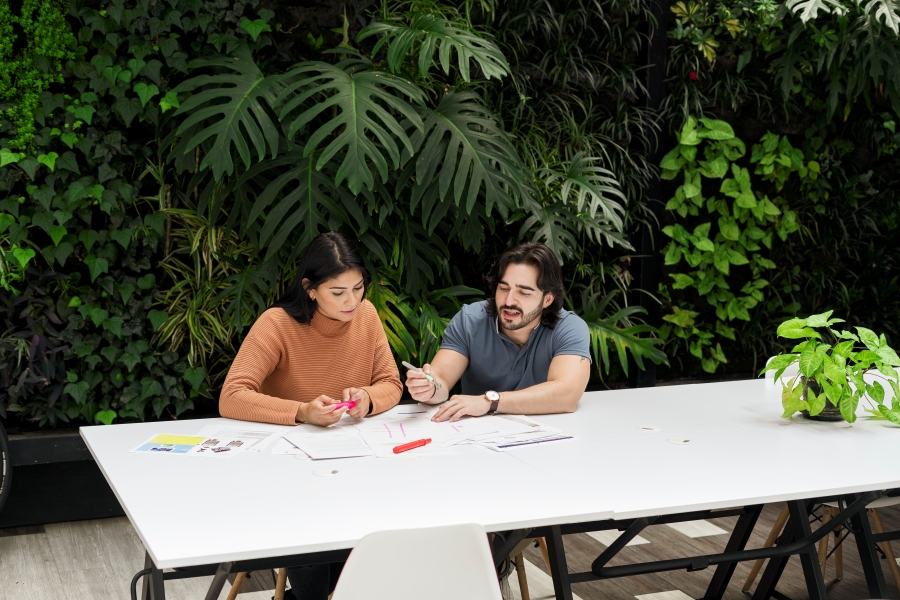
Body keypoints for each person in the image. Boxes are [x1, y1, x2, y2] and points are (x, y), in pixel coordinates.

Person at [220, 231, 402, 600]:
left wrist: (367, 399)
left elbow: (391, 383)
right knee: (320, 544)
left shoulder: (366, 316)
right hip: (289, 474)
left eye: (358, 288)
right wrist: (301, 412)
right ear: (311, 289)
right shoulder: (277, 324)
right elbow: (232, 396)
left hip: (353, 465)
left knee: (383, 531)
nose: (352, 301)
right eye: (338, 292)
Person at [405, 241, 591, 421]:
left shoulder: (569, 328)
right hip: (475, 431)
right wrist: (430, 388)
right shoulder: (469, 321)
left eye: (524, 293)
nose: (509, 301)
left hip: (549, 430)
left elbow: (567, 394)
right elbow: (441, 382)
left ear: (547, 300)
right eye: (503, 288)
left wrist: (490, 401)